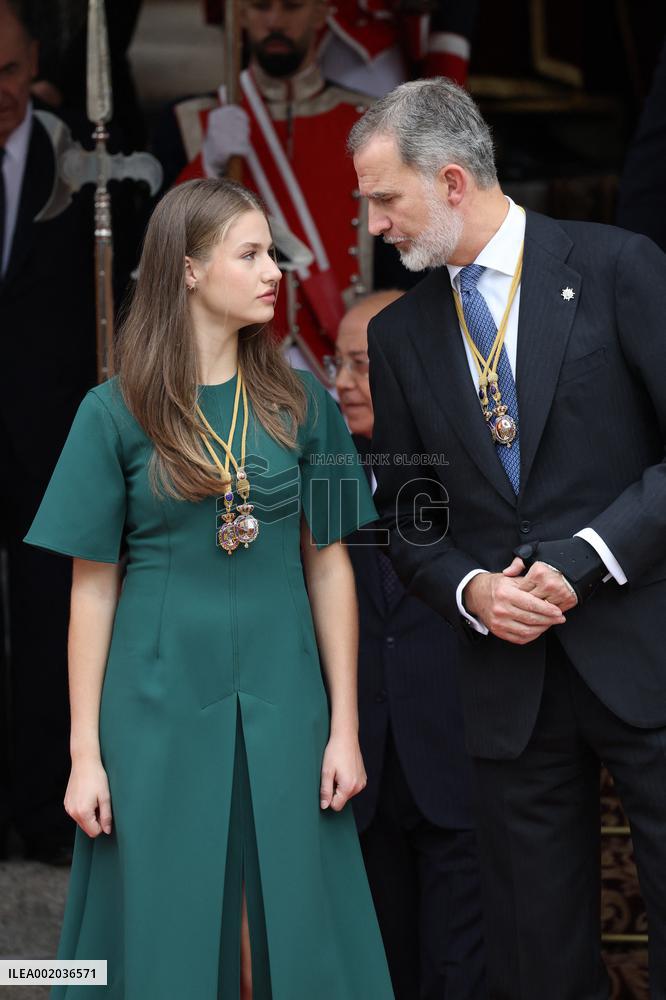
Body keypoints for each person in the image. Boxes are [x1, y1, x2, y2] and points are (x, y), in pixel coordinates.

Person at [24, 178, 394, 999]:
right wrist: (85, 752)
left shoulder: (309, 406)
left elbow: (331, 566)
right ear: (189, 270)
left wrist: (345, 726)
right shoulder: (111, 411)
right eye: (251, 254)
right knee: (158, 916)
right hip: (151, 699)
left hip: (286, 689)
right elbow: (91, 588)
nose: (274, 272)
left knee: (300, 914)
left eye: (272, 254)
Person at [348, 77, 666, 998]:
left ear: (451, 181)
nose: (374, 225)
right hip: (504, 682)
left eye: (384, 199)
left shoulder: (619, 265)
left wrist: (588, 558)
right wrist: (469, 591)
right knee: (532, 949)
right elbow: (408, 512)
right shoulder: (402, 334)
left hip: (642, 650)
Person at [331, 291, 486, 999]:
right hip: (364, 769)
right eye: (338, 364)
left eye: (361, 365)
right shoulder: (332, 468)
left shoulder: (477, 465)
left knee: (462, 971)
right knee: (377, 971)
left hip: (458, 756)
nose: (342, 382)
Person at [155, 0, 413, 377]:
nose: (274, 21)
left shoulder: (369, 120)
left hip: (340, 363)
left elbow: (404, 251)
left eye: (291, 7)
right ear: (240, 13)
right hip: (233, 356)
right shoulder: (191, 121)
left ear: (321, 12)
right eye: (260, 7)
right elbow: (160, 249)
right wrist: (207, 163)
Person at [0, 0, 97, 865]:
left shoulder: (84, 156)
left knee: (48, 620)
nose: (0, 91)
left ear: (36, 66)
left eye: (11, 71)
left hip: (50, 430)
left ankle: (43, 807)